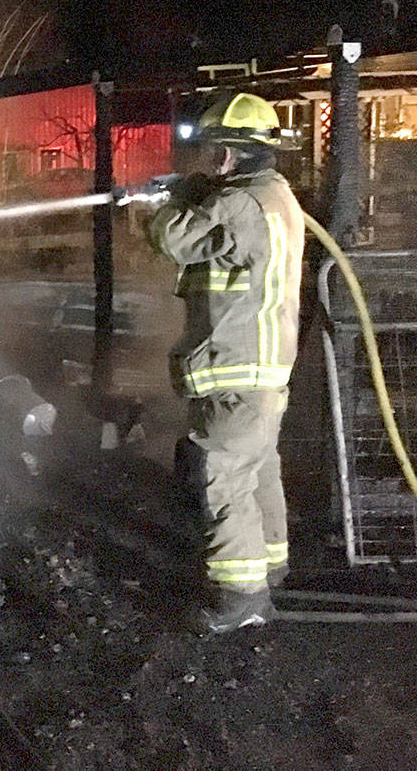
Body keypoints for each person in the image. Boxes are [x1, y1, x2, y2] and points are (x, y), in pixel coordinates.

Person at [144, 92, 304, 633]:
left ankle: (242, 598)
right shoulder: (275, 195)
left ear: (230, 155)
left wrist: (178, 197)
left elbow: (174, 239)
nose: (208, 160)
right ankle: (270, 566)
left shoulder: (238, 203)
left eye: (213, 150)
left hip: (236, 365)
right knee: (258, 469)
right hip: (263, 367)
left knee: (223, 475)